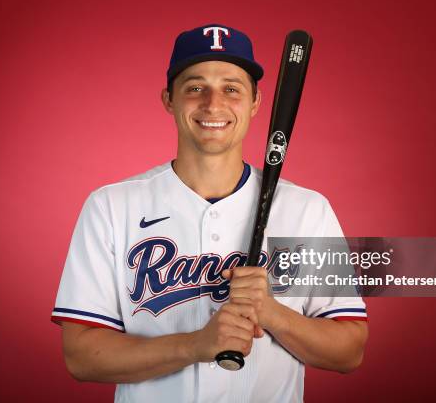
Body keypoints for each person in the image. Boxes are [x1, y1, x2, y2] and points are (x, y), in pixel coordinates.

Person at [51, 23, 368, 402]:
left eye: (231, 88)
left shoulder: (307, 210)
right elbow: (82, 357)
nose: (213, 104)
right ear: (169, 99)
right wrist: (195, 345)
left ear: (255, 102)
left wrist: (273, 314)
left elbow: (350, 350)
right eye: (195, 88)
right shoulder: (111, 207)